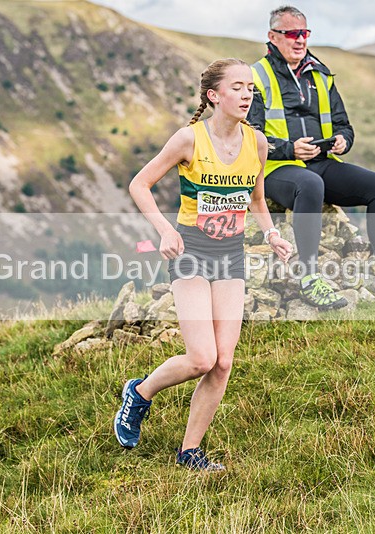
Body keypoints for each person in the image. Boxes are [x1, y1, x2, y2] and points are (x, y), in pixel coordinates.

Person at [115, 58, 293, 471]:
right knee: (200, 359)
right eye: (237, 87)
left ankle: (189, 452)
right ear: (214, 96)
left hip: (230, 255)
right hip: (190, 250)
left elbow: (257, 200)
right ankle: (139, 393)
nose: (247, 93)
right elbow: (139, 184)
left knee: (223, 362)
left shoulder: (257, 143)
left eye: (250, 87)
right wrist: (164, 229)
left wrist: (272, 235)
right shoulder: (189, 140)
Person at [247, 5, 375, 307]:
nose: (300, 39)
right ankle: (309, 279)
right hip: (277, 169)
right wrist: (290, 148)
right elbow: (249, 134)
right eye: (291, 33)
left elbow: (345, 124)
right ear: (272, 36)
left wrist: (343, 140)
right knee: (310, 184)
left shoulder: (320, 73)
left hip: (322, 162)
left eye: (304, 33)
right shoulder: (255, 75)